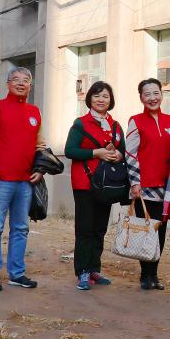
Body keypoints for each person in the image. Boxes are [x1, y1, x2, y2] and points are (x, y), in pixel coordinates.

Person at [0, 67, 46, 292]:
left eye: (25, 80)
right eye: (16, 79)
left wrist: (40, 169)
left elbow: (40, 145)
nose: (21, 83)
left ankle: (17, 273)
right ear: (7, 84)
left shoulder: (34, 112)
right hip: (0, 180)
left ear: (30, 85)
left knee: (21, 228)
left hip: (26, 182)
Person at [64, 81, 125, 291]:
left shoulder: (115, 126)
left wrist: (118, 155)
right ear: (89, 98)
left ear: (111, 100)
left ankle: (94, 269)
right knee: (85, 229)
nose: (101, 100)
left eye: (105, 96)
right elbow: (70, 150)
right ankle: (82, 271)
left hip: (107, 184)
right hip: (85, 183)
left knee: (100, 228)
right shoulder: (80, 124)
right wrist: (96, 153)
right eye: (97, 96)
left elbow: (123, 151)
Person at [125, 78, 170, 290]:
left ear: (162, 95)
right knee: (145, 229)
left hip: (166, 187)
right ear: (141, 98)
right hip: (144, 187)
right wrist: (135, 182)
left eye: (156, 93)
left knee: (160, 230)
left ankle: (154, 274)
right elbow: (130, 154)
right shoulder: (136, 121)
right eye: (147, 94)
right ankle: (145, 275)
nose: (152, 98)